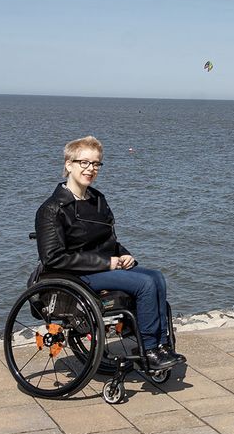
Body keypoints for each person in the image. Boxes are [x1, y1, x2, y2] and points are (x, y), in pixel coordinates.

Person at [35, 136, 180, 370]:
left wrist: (123, 255)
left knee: (156, 277)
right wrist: (107, 262)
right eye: (84, 162)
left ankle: (162, 345)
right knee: (144, 284)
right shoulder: (51, 209)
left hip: (103, 266)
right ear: (68, 164)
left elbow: (109, 240)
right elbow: (53, 257)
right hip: (74, 273)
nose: (90, 169)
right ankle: (149, 348)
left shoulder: (98, 200)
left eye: (95, 164)